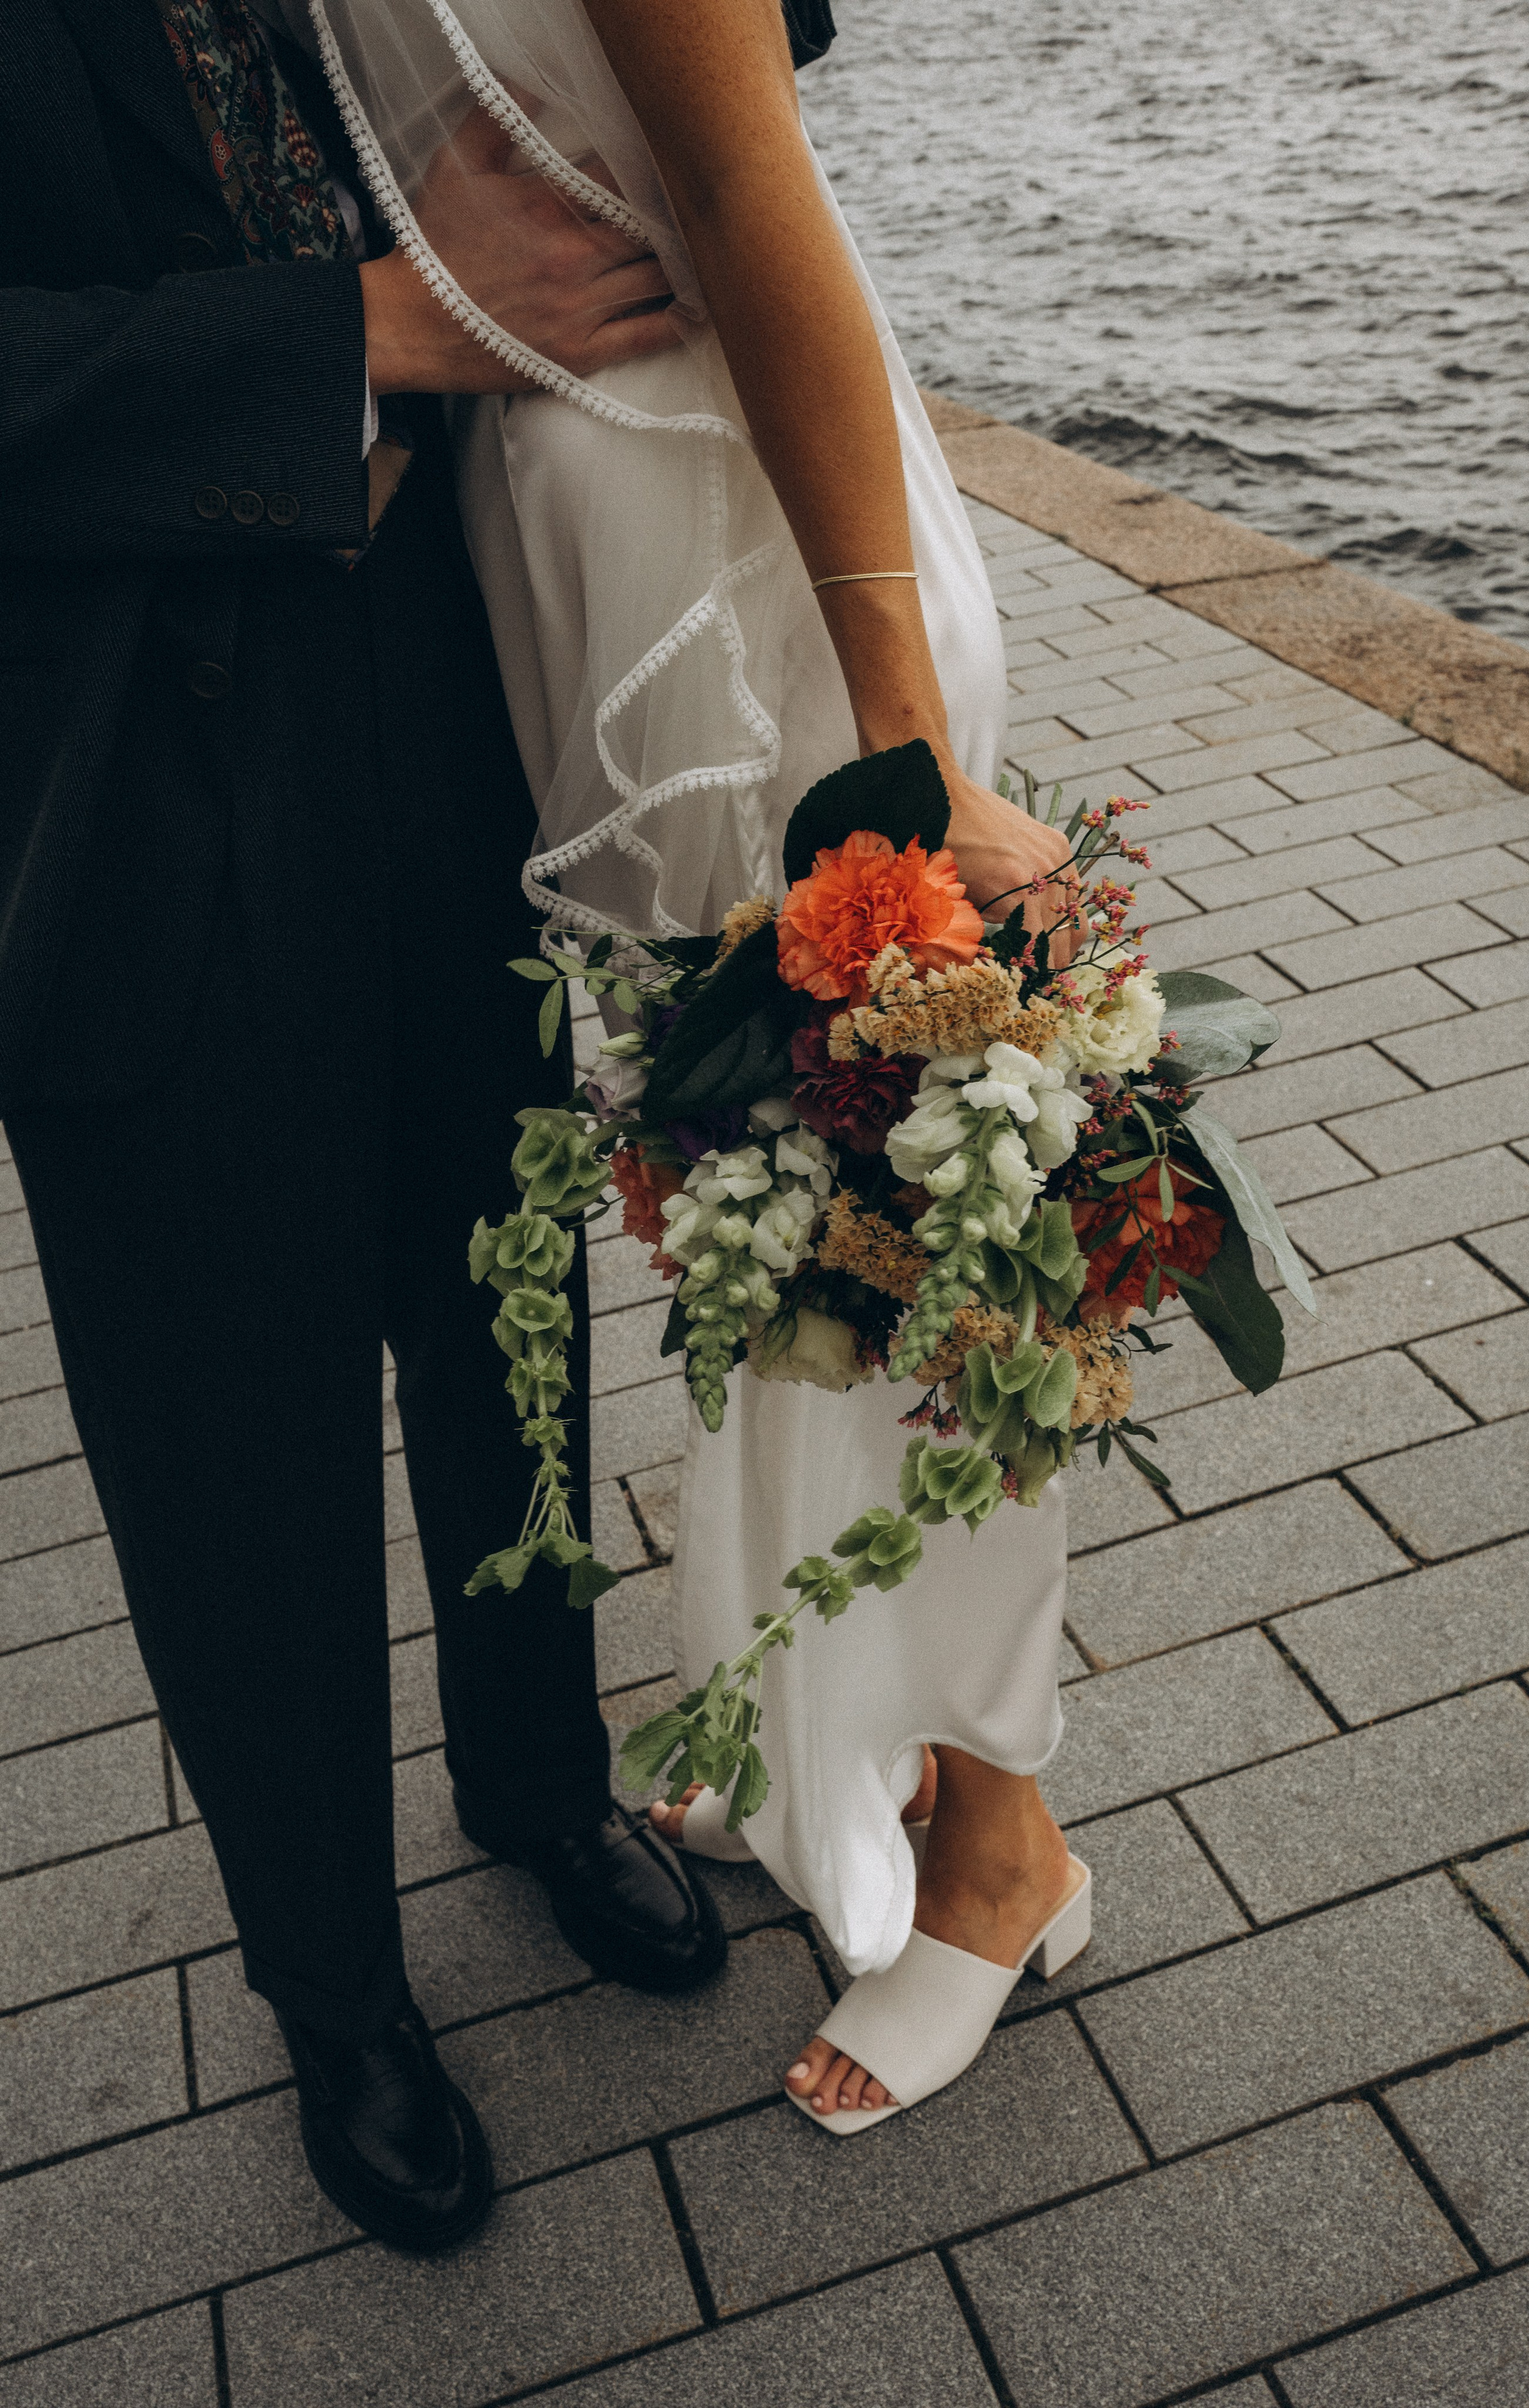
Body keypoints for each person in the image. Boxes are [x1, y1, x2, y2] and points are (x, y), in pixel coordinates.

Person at [307, 0, 1090, 2133]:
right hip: (602, 595)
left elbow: (759, 196)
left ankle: (1008, 1849)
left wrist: (902, 741)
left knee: (924, 1233)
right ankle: (845, 1723)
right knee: (768, 1243)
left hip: (767, 600)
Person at [0, 0, 730, 2254]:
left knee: (507, 1304)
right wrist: (356, 333)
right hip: (116, 770)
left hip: (457, 679)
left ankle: (539, 1786)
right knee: (228, 1430)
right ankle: (335, 1988)